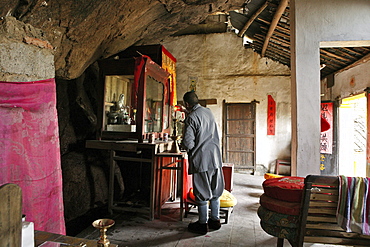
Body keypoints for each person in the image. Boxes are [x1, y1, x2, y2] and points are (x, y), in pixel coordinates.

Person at [181, 91, 225, 235]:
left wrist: (186, 147)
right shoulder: (208, 112)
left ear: (187, 104)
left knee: (202, 192)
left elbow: (188, 143)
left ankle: (202, 224)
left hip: (202, 159)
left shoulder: (191, 117)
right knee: (215, 190)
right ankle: (215, 220)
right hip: (216, 157)